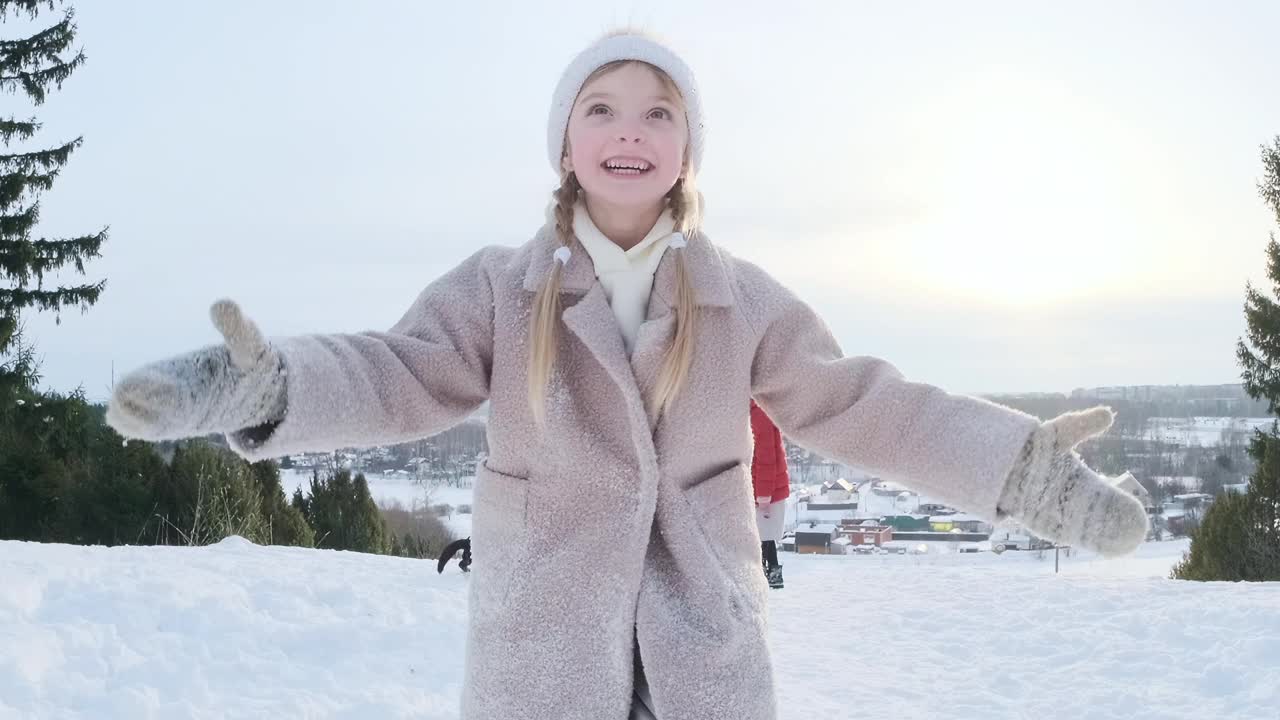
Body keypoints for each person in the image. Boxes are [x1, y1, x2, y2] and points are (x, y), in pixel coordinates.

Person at [105, 30, 1149, 720]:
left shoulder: (738, 296)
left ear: (688, 150)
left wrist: (1021, 473)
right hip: (541, 652)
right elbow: (397, 372)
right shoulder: (498, 291)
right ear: (562, 143)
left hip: (705, 650)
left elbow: (859, 405)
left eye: (658, 113)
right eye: (600, 109)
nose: (629, 133)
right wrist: (269, 385)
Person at [750, 400, 788, 589]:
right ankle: (768, 577)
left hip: (765, 490)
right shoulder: (759, 409)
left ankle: (769, 577)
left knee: (761, 535)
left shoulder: (758, 413)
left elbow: (766, 457)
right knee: (763, 536)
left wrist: (763, 495)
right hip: (762, 488)